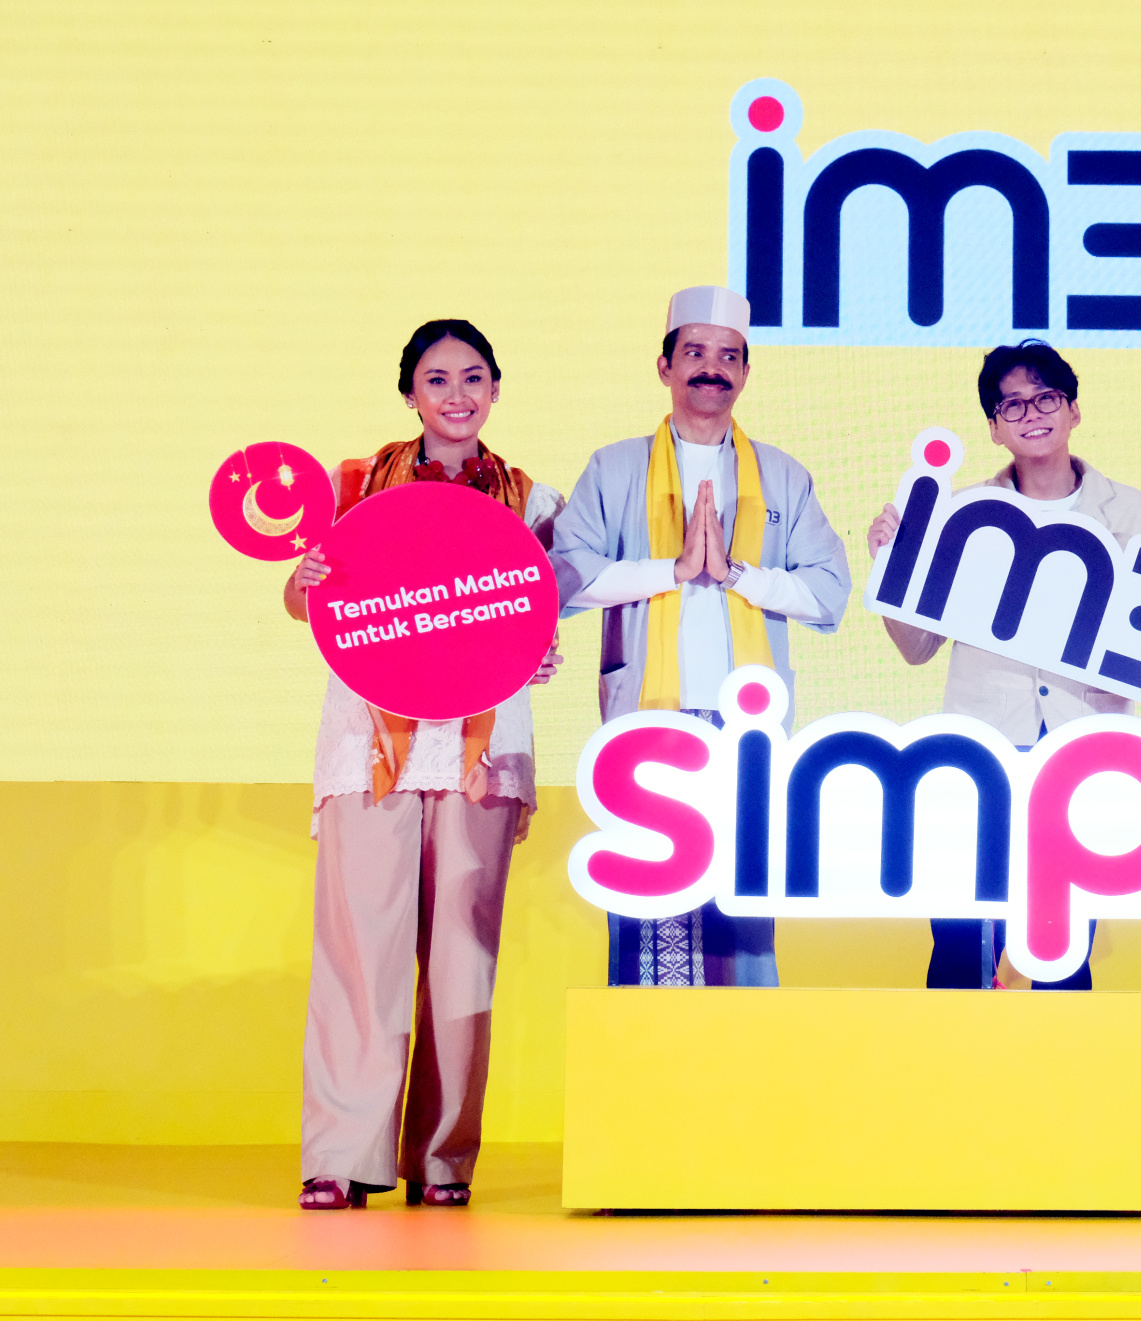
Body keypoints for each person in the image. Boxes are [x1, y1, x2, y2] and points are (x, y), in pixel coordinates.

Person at [284, 319, 565, 1211]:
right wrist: (303, 581)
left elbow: (542, 614)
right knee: (359, 948)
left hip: (482, 745)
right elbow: (304, 599)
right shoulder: (353, 486)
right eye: (436, 378)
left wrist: (539, 651)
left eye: (473, 376)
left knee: (461, 960)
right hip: (369, 740)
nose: (456, 394)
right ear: (409, 391)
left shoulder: (533, 500)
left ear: (495, 388)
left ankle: (443, 1159)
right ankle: (341, 1155)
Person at [867, 340, 1141, 991]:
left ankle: (1063, 1059)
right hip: (982, 749)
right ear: (994, 426)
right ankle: (950, 1058)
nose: (1031, 414)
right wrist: (894, 567)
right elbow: (917, 647)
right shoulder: (964, 514)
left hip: (1082, 750)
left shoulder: (1128, 511)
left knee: (1065, 941)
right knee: (959, 936)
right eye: (1012, 404)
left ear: (1074, 410)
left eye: (1046, 398)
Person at [549, 285, 850, 988]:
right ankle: (649, 1052)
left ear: (745, 372)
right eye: (694, 353)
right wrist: (673, 570)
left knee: (742, 907)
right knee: (647, 903)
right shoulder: (615, 467)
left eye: (728, 356)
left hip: (747, 726)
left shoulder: (782, 475)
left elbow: (828, 592)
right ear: (664, 366)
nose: (711, 368)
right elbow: (564, 577)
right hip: (647, 720)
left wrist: (739, 574)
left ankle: (742, 1051)